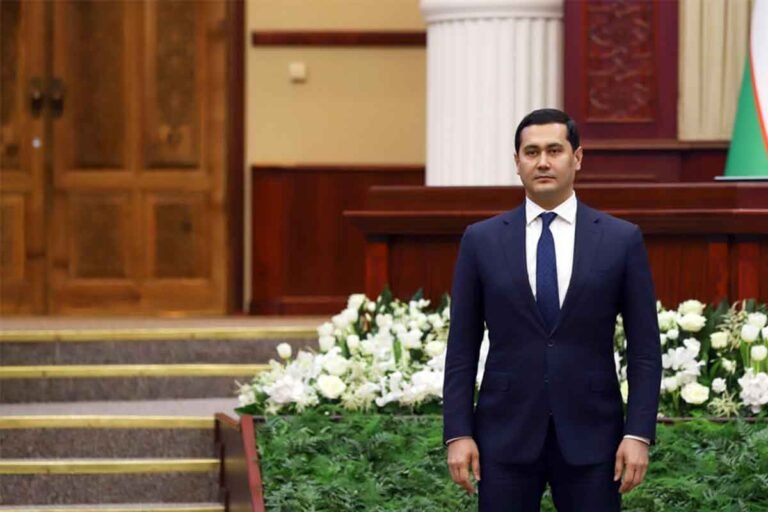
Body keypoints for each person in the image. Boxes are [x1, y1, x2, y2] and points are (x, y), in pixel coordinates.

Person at [443, 108, 662, 511]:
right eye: (531, 152)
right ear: (517, 162)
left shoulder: (620, 239)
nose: (542, 162)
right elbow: (461, 348)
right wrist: (458, 432)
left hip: (594, 437)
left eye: (554, 150)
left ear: (577, 158)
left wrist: (638, 434)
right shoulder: (481, 241)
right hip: (503, 436)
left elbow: (645, 350)